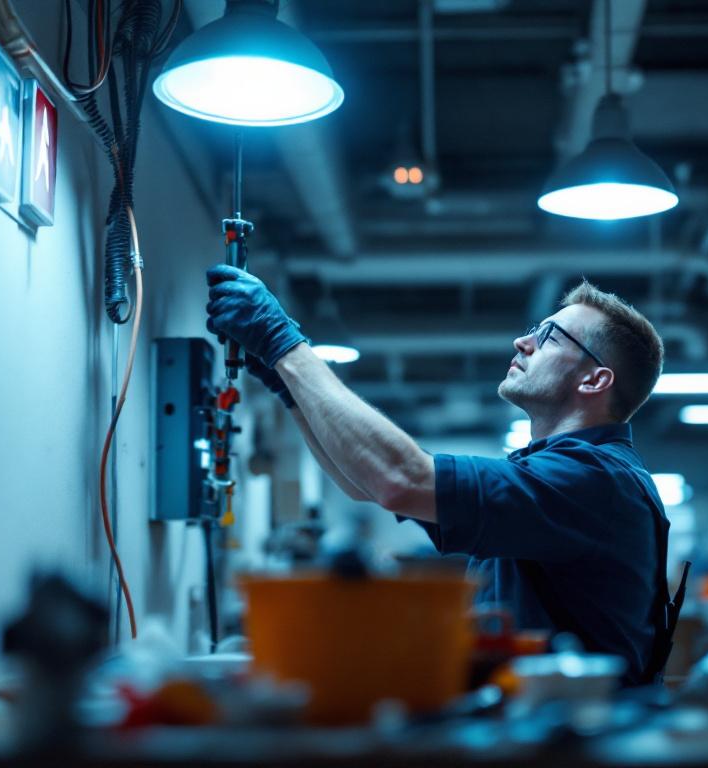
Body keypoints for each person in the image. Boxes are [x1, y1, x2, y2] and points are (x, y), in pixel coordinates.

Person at [206, 265, 673, 684]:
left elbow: (400, 480)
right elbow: (368, 485)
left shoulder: (593, 480)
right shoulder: (554, 472)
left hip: (579, 743)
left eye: (550, 337)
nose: (523, 342)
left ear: (594, 380)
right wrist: (287, 384)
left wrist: (285, 347)